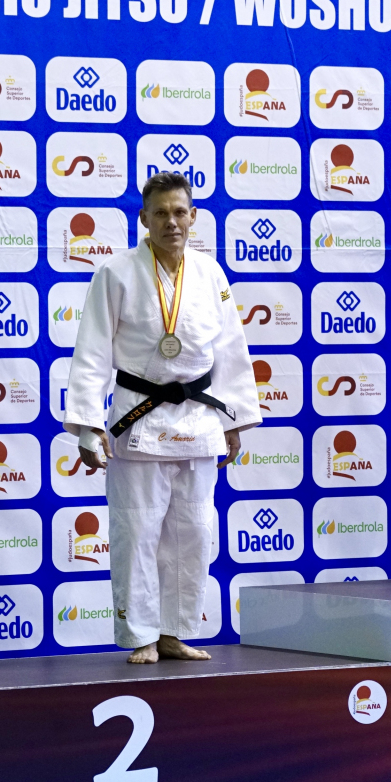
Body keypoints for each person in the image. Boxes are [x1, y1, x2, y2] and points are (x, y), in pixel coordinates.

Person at [66, 171, 259, 662]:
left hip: (199, 419)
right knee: (137, 532)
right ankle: (142, 635)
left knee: (192, 533)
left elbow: (230, 349)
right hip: (140, 419)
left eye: (179, 212)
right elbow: (92, 351)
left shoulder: (210, 273)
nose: (171, 222)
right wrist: (88, 425)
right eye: (160, 213)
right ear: (143, 219)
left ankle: (174, 632)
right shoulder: (116, 272)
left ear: (193, 217)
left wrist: (235, 419)